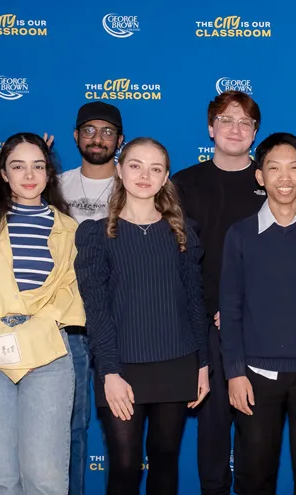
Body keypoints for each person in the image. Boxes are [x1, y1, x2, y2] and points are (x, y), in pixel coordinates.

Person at [0, 132, 84, 494]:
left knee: (46, 478)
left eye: (38, 166)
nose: (29, 174)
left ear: (49, 173)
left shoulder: (69, 229)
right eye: (18, 166)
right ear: (3, 174)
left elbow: (69, 292)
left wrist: (29, 332)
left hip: (47, 354)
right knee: (0, 478)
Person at [75, 137, 211, 495]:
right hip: (122, 367)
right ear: (119, 171)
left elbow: (195, 301)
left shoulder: (182, 233)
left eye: (155, 168)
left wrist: (202, 364)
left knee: (165, 459)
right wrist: (110, 371)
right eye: (135, 165)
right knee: (123, 466)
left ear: (166, 177)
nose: (144, 175)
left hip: (178, 362)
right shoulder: (96, 234)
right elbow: (96, 310)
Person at [220, 133, 296, 495]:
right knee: (254, 478)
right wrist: (234, 373)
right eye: (274, 168)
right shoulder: (240, 234)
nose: (284, 177)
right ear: (260, 176)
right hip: (255, 378)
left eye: (294, 168)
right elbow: (231, 306)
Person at [170, 90, 262, 495]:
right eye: (226, 120)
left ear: (255, 132)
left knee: (257, 425)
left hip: (261, 322)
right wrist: (212, 310)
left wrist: (243, 308)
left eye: (245, 122)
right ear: (211, 128)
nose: (235, 129)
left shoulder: (272, 180)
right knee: (212, 427)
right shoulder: (184, 183)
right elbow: (175, 259)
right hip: (204, 323)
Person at [57, 100, 125, 495]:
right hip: (69, 325)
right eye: (89, 130)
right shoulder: (55, 186)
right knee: (73, 426)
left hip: (122, 324)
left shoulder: (134, 184)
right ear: (75, 136)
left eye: (107, 131)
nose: (97, 138)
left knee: (123, 432)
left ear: (120, 139)